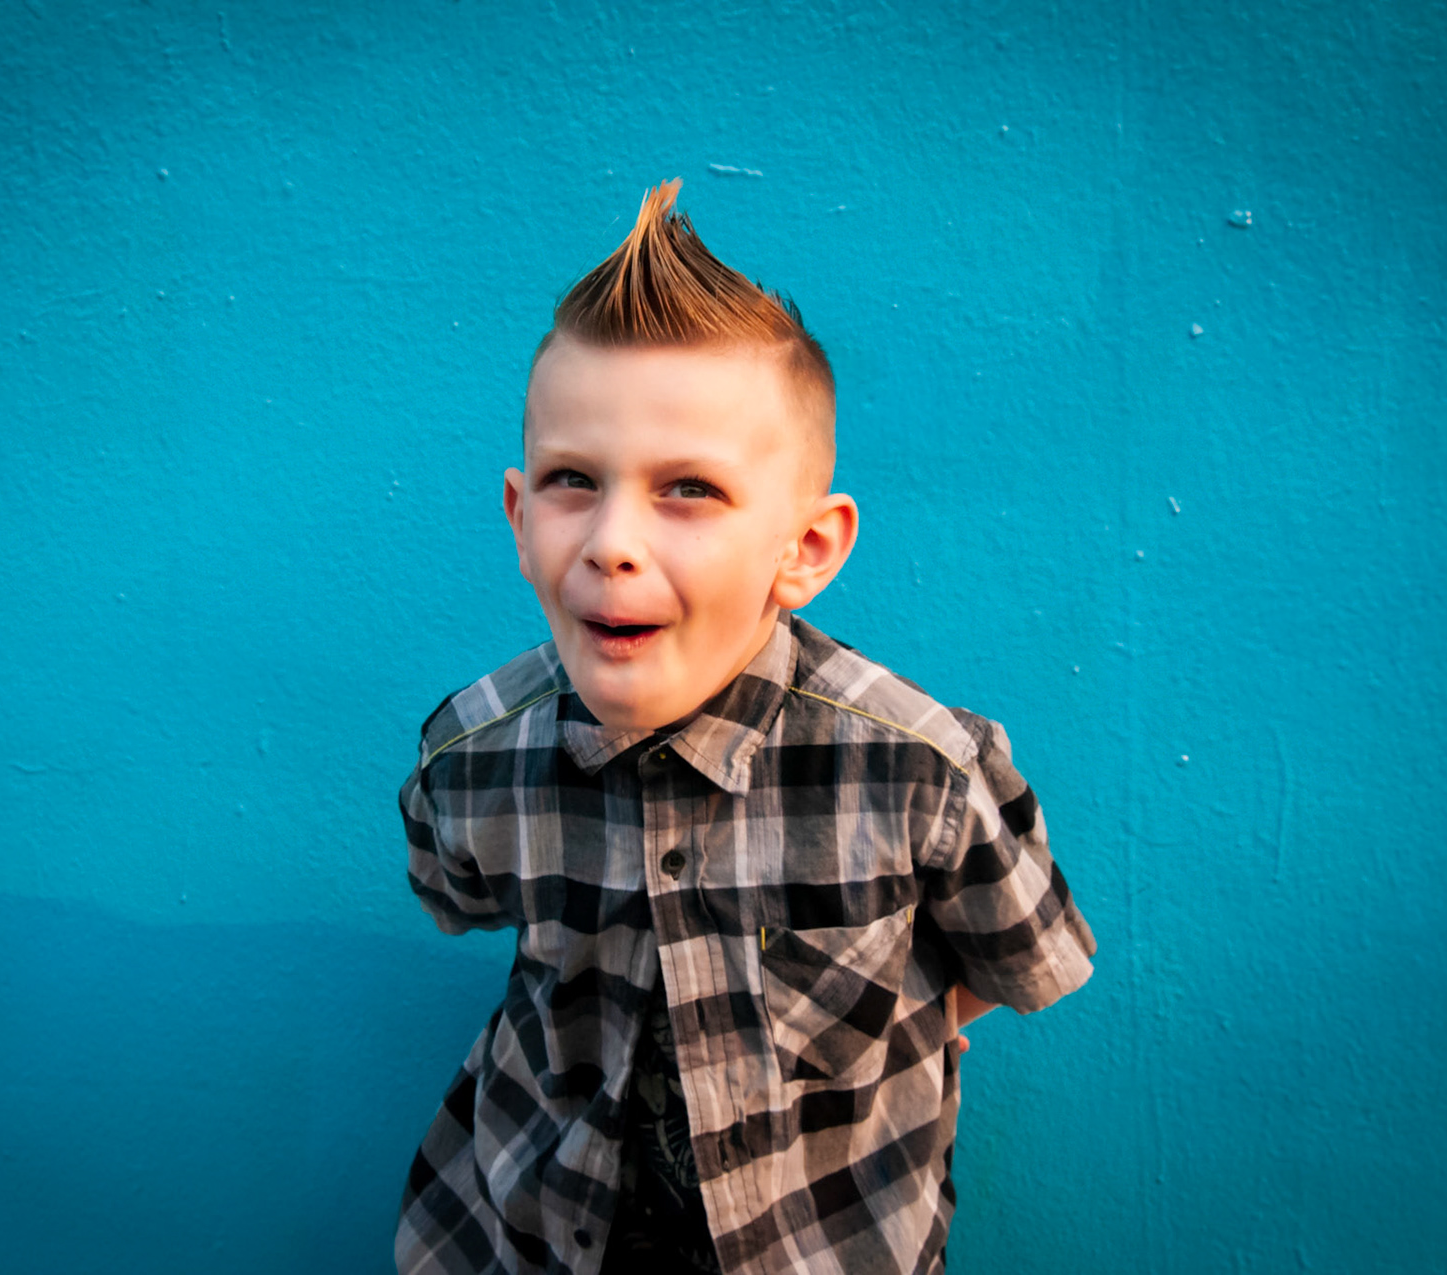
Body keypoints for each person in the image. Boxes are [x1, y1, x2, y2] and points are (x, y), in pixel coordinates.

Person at [394, 179, 1096, 1275]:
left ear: (804, 550)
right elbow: (460, 901)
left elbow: (1020, 959)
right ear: (521, 520)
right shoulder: (472, 759)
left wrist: (912, 1014)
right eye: (575, 480)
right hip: (527, 1233)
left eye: (688, 489)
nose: (612, 542)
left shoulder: (922, 771)